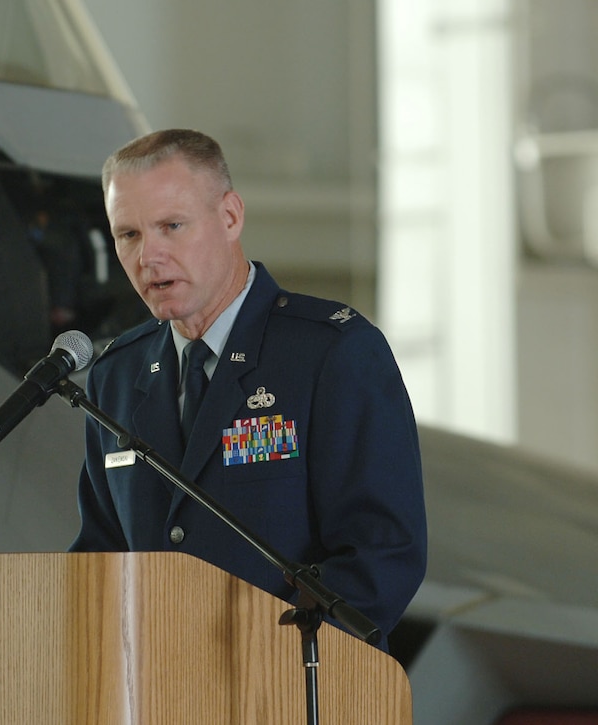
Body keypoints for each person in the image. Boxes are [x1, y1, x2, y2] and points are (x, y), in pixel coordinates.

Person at [69, 129, 427, 649]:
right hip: (155, 690)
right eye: (129, 235)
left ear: (231, 217)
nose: (150, 256)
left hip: (290, 687)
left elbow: (382, 552)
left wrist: (270, 667)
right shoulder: (116, 375)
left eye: (172, 226)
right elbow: (100, 556)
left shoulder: (330, 352)